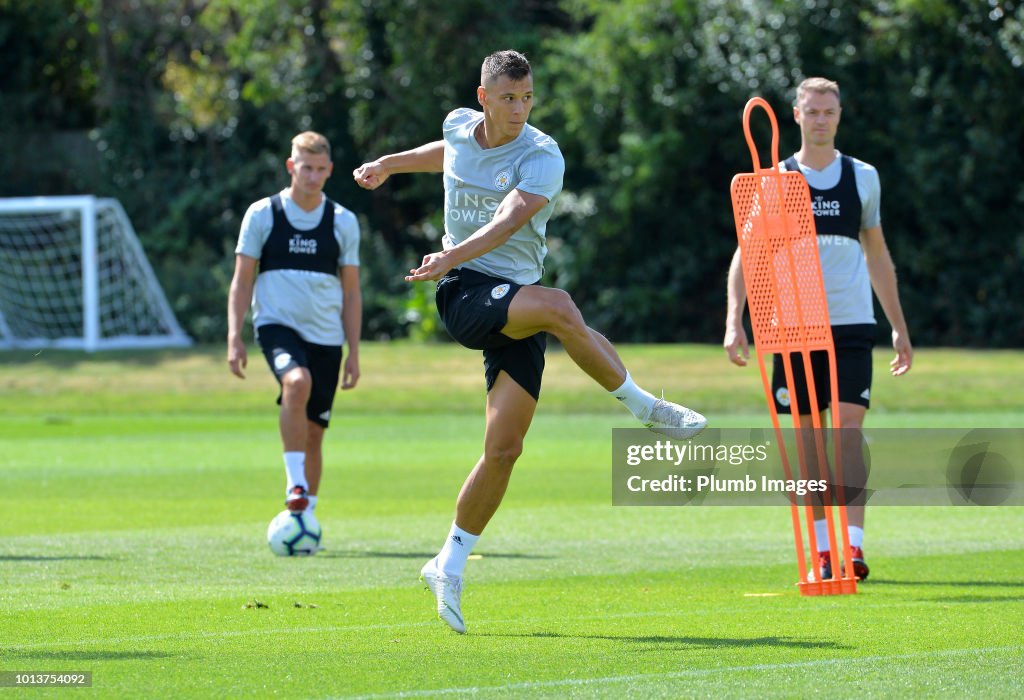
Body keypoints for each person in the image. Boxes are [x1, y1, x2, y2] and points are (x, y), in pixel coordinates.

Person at [354, 49, 706, 633]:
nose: (519, 110)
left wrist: (445, 253)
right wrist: (389, 163)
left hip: (507, 296)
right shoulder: (457, 126)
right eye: (509, 99)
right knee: (561, 308)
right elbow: (446, 154)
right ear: (483, 98)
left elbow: (510, 222)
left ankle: (447, 563)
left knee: (504, 450)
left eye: (527, 98)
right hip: (465, 294)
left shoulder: (542, 155)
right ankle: (647, 409)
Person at [724, 77, 913, 582]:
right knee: (808, 439)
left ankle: (852, 548)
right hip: (795, 322)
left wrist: (898, 326)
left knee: (847, 432)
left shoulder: (863, 176)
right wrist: (733, 320)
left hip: (852, 320)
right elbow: (749, 251)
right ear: (797, 115)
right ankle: (823, 549)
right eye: (812, 111)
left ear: (840, 114)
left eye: (829, 111)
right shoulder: (776, 179)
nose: (821, 119)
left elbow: (876, 252)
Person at [228, 131, 362, 518]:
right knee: (296, 381)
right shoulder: (262, 214)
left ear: (330, 170)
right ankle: (295, 483)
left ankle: (303, 520)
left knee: (315, 432)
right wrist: (234, 336)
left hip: (326, 336)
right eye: (306, 168)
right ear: (291, 167)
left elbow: (352, 293)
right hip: (276, 325)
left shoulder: (343, 221)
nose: (313, 177)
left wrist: (353, 351)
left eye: (321, 170)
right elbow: (242, 280)